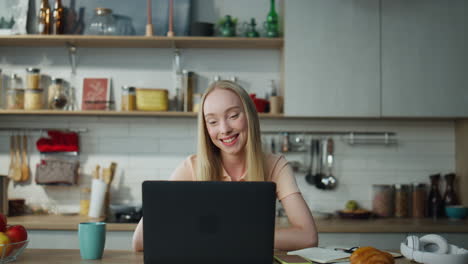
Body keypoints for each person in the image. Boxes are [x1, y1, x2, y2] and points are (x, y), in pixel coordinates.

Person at [132, 80, 318, 252]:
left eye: (233, 115)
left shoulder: (276, 165)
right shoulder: (191, 167)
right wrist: (245, 238)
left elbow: (308, 237)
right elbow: (140, 240)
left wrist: (224, 237)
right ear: (206, 128)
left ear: (250, 116)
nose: (224, 129)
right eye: (212, 121)